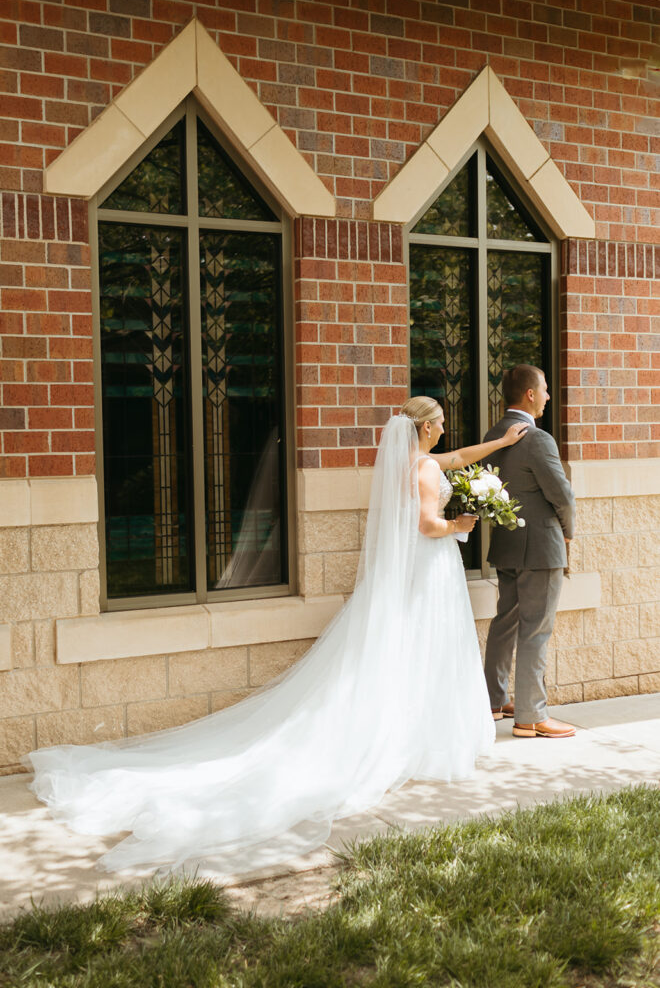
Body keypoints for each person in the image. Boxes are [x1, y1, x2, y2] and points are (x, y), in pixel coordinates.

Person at [28, 397, 527, 876]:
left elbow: (460, 456)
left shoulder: (416, 463)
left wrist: (500, 441)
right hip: (430, 567)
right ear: (424, 428)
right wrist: (460, 523)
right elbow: (425, 524)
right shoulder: (422, 470)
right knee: (425, 649)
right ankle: (416, 739)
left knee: (415, 651)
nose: (445, 430)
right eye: (439, 423)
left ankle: (419, 732)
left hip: (421, 573)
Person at [483, 366, 577, 739]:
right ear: (530, 395)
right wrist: (568, 534)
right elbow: (562, 495)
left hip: (506, 546)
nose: (549, 397)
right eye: (545, 390)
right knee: (536, 630)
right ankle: (531, 716)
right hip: (541, 547)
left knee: (505, 623)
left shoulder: (494, 435)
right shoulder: (537, 439)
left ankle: (494, 700)